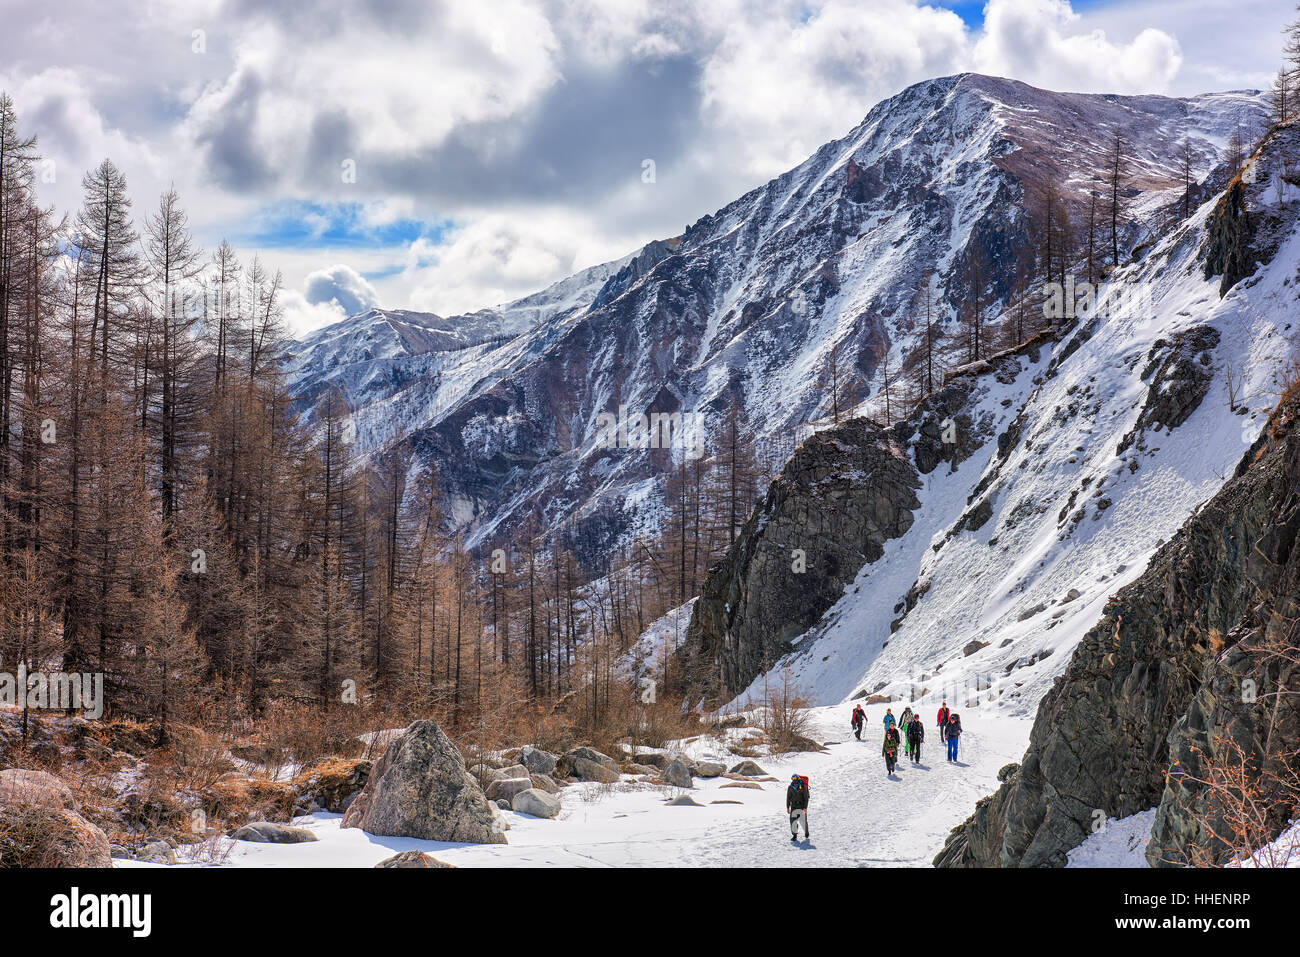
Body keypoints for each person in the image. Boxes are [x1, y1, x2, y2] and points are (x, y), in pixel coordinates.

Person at [787, 774, 810, 841]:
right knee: (792, 821)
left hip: (802, 806)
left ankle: (806, 832)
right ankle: (794, 835)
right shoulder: (790, 787)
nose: (794, 779)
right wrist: (787, 807)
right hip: (794, 806)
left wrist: (805, 808)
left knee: (803, 821)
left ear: (798, 778)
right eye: (792, 778)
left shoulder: (802, 787)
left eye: (795, 778)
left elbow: (806, 798)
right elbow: (788, 798)